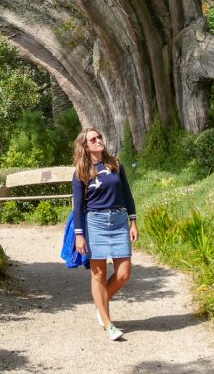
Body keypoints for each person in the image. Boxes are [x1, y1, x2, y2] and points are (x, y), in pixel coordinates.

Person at [72, 127, 138, 341]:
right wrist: (79, 235)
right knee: (98, 274)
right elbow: (78, 206)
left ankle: (101, 305)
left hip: (118, 221)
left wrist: (133, 221)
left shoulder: (115, 165)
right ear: (85, 146)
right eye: (93, 139)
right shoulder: (81, 172)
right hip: (95, 222)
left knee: (124, 273)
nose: (99, 140)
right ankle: (109, 324)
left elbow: (127, 193)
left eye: (99, 137)